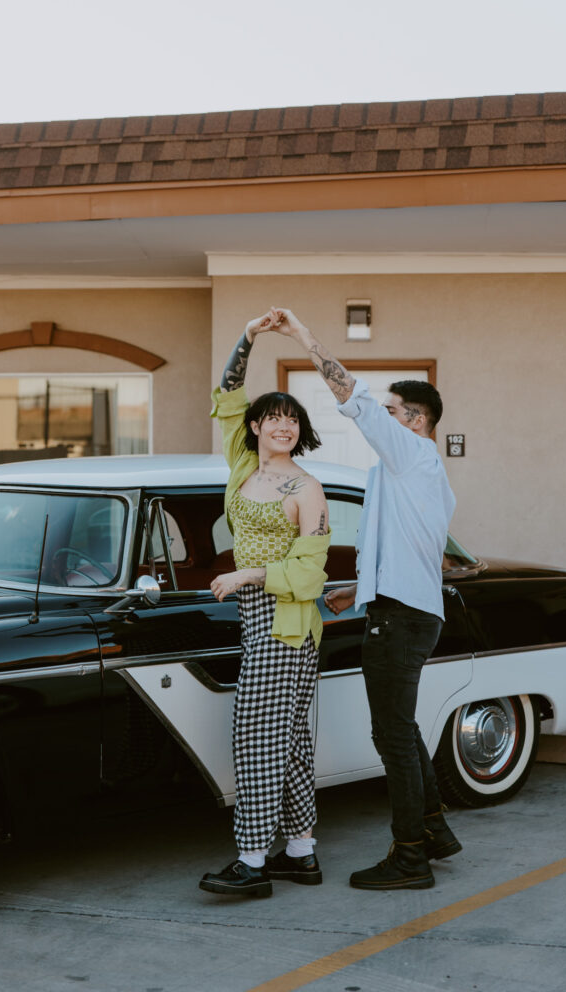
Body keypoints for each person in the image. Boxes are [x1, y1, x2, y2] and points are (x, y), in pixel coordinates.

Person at [271, 307, 461, 891]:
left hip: (401, 621)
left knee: (393, 736)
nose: (383, 418)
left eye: (394, 412)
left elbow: (350, 392)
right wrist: (358, 590)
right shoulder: (416, 474)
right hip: (406, 608)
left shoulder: (409, 454)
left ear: (418, 421)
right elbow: (415, 554)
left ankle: (410, 859)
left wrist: (302, 336)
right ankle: (433, 830)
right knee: (401, 728)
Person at [199, 312, 331, 899]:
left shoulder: (308, 489)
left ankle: (252, 861)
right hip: (258, 620)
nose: (283, 425)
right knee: (291, 739)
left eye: (292, 419)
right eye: (273, 417)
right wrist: (250, 335)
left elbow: (309, 573)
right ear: (254, 427)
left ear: (301, 431)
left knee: (256, 736)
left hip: (287, 624)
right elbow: (228, 391)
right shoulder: (243, 467)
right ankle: (300, 854)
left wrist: (245, 573)